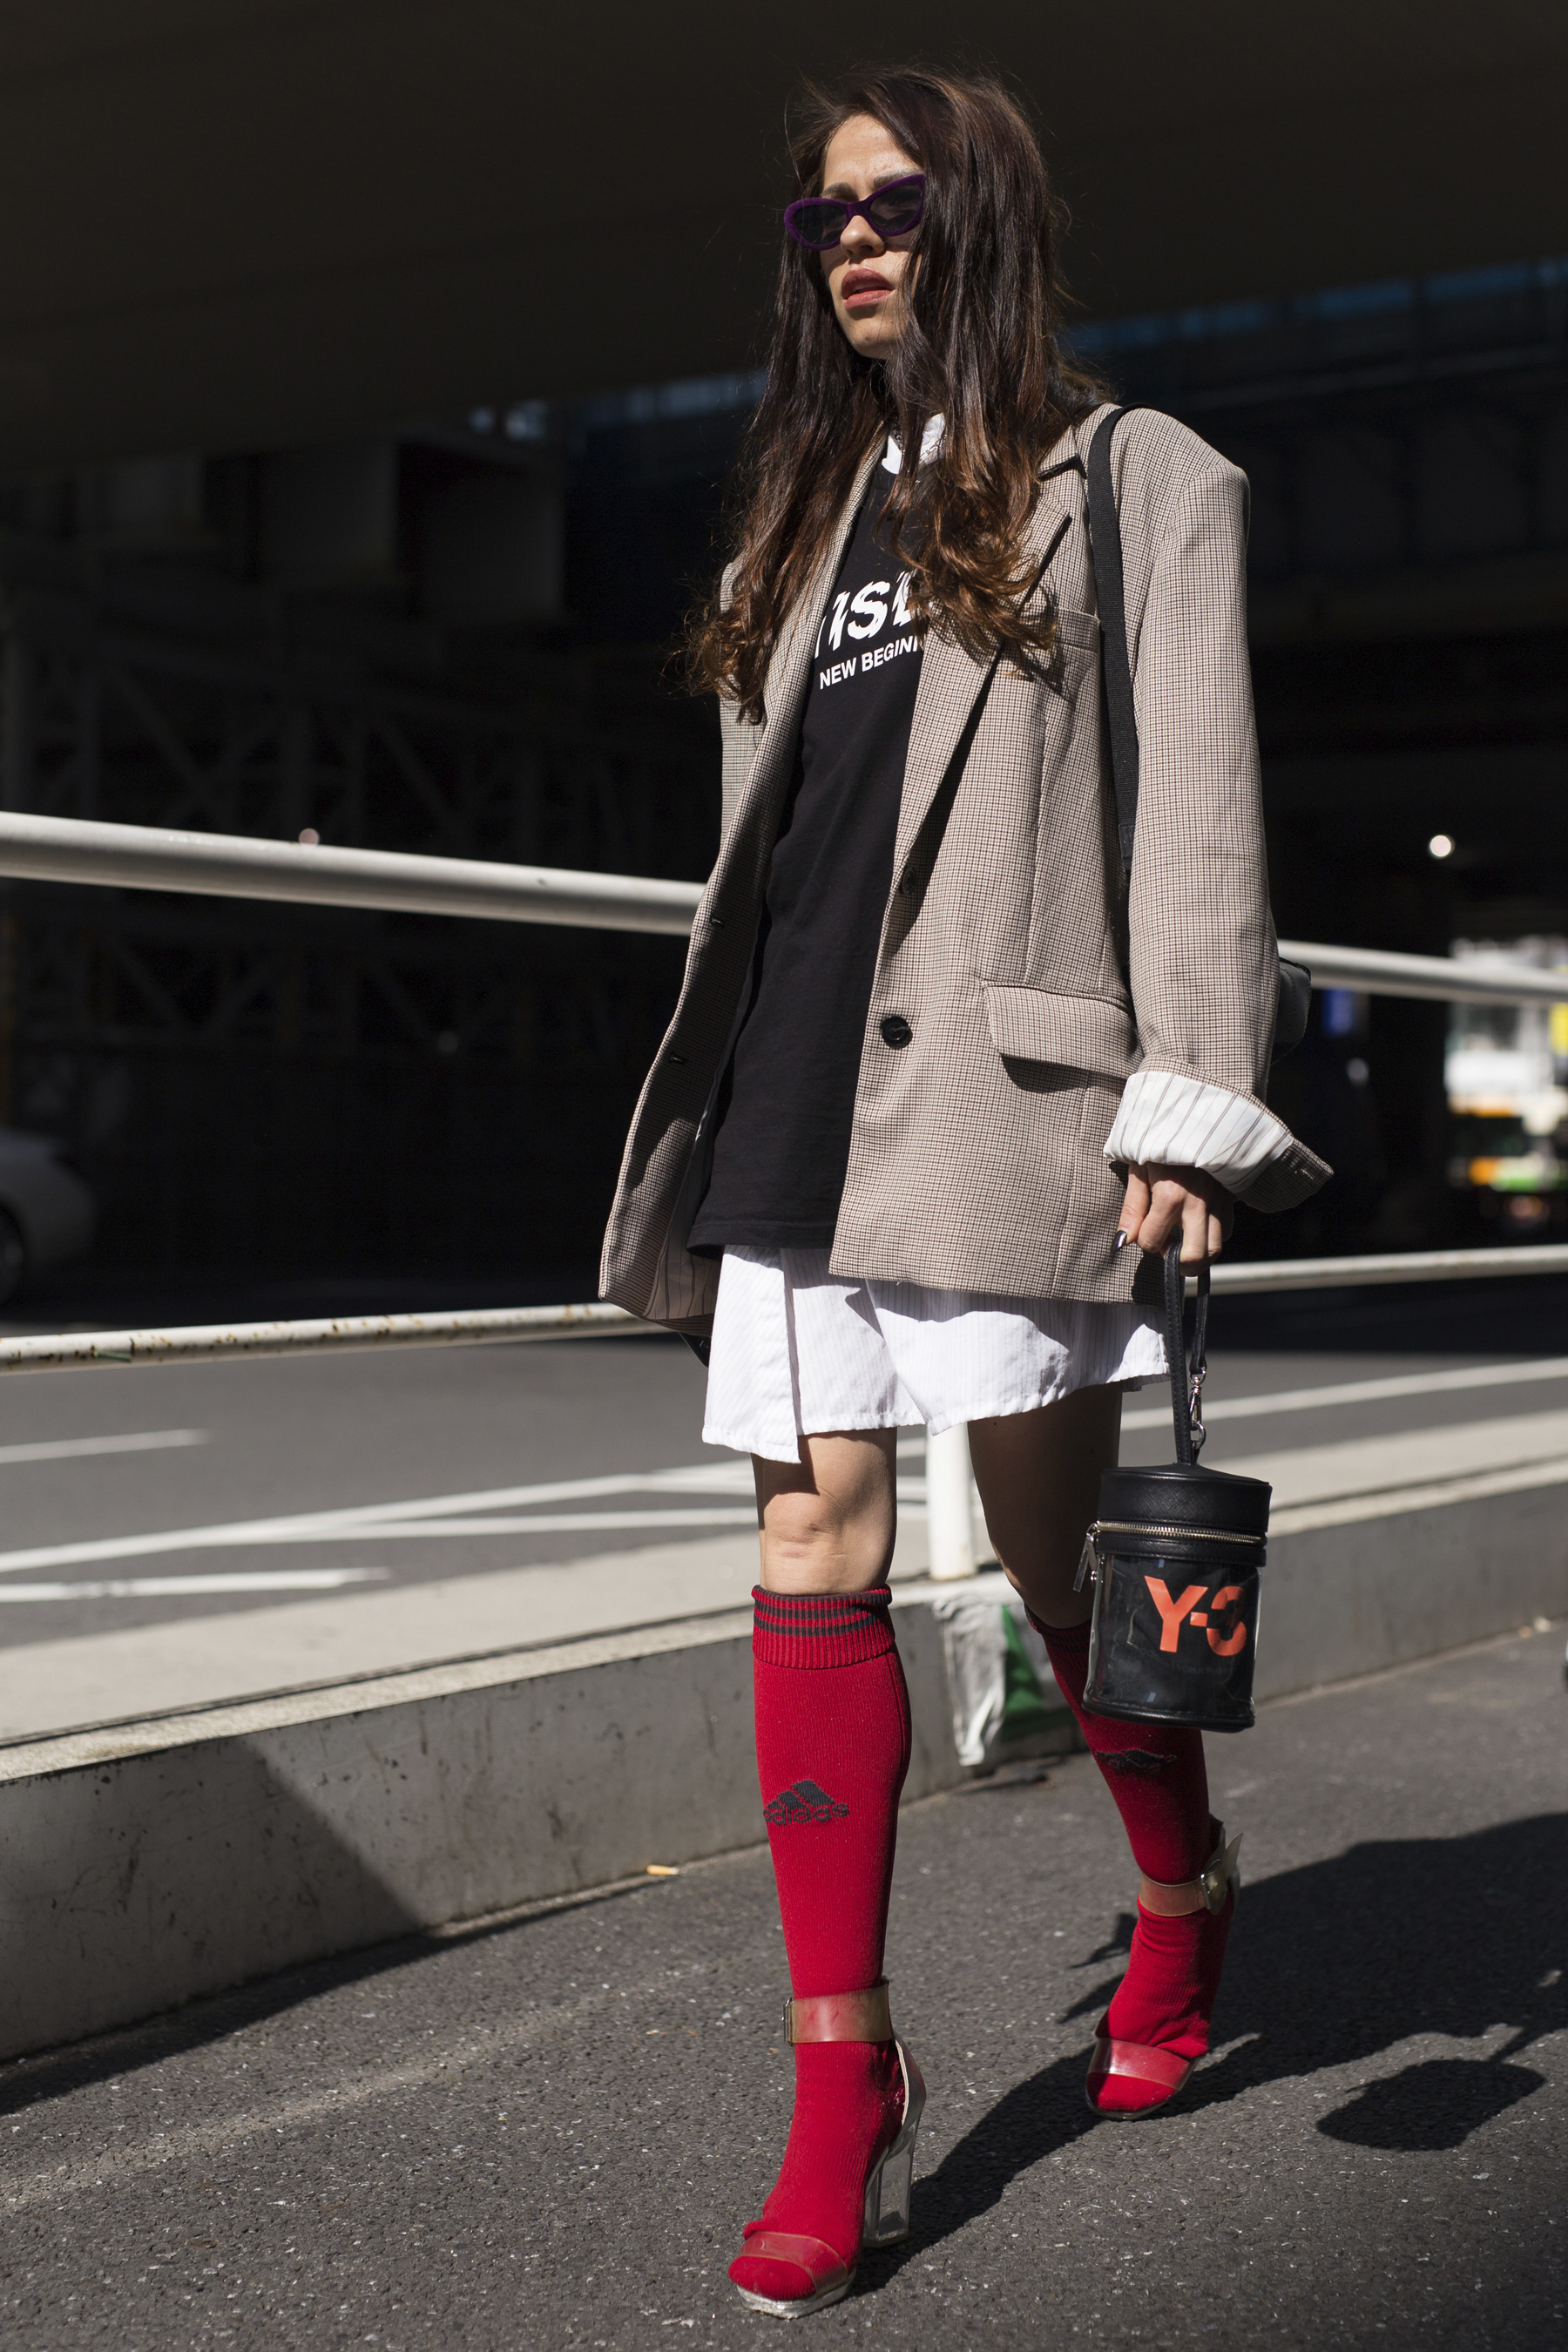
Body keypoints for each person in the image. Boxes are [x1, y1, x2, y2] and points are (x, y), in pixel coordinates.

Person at [600, 64, 1329, 2317]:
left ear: (984, 216)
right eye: (822, 211)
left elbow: (1199, 802)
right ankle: (847, 2088)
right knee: (807, 1538)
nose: (853, 236)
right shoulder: (803, 520)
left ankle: (1181, 1883)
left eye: (898, 200)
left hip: (1011, 1094)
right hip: (796, 1089)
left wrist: (1192, 1097)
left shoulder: (1134, 475)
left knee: (1046, 1552)